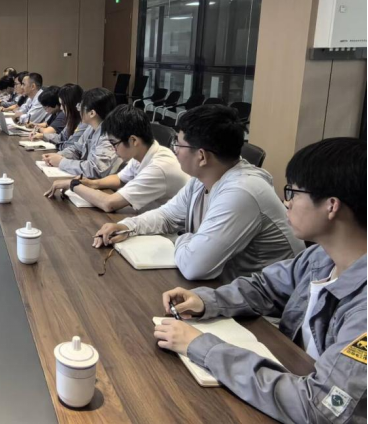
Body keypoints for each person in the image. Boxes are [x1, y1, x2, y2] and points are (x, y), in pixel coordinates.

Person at [155, 138, 367, 423]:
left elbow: (319, 408)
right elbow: (266, 287)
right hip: (292, 375)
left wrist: (203, 347)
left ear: (331, 206)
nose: (286, 202)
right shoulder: (321, 256)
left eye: (293, 192)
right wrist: (207, 301)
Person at [94, 105, 305, 282]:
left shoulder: (241, 192)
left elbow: (195, 267)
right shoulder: (203, 178)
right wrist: (128, 226)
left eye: (178, 144)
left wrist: (185, 238)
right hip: (228, 287)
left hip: (268, 308)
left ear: (202, 156)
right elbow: (168, 215)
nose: (174, 150)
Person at [45, 105, 188, 214]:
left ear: (133, 140)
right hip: (145, 215)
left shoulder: (159, 167)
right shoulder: (143, 152)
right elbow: (120, 178)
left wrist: (73, 184)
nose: (113, 149)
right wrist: (92, 183)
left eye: (114, 144)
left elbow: (109, 204)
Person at [42, 88, 122, 179]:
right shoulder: (91, 127)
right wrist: (59, 155)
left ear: (92, 113)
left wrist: (61, 162)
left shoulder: (108, 135)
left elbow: (95, 169)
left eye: (81, 106)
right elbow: (76, 149)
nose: (79, 110)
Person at [38, 84, 87, 151]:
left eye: (62, 104)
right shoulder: (71, 118)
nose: (61, 108)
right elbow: (61, 137)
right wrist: (42, 136)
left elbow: (70, 144)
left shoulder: (84, 122)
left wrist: (57, 145)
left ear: (71, 104)